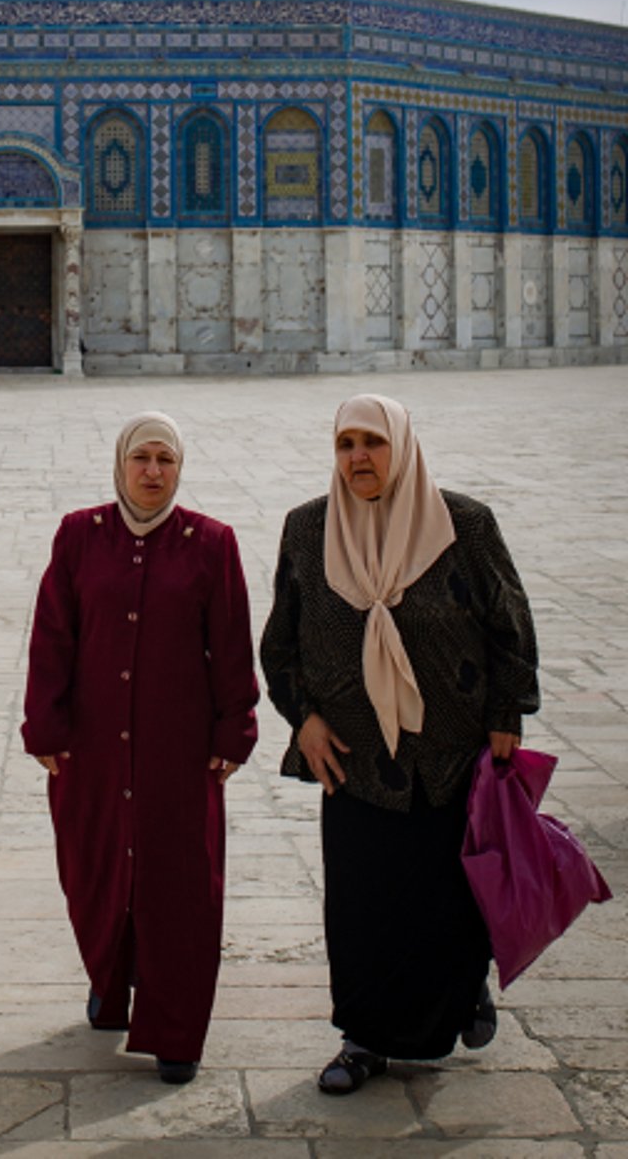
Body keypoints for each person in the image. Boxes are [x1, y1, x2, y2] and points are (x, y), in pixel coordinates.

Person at [259, 393, 539, 1095]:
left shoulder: (463, 526)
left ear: (402, 447)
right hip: (355, 758)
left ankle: (459, 993)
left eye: (373, 442)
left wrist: (507, 713)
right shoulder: (308, 530)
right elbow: (280, 645)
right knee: (364, 902)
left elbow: (510, 623)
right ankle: (363, 1039)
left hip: (452, 750)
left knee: (448, 892)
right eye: (346, 443)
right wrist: (305, 718)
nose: (358, 457)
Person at [22, 411, 258, 1084]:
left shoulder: (210, 543)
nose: (153, 472)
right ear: (121, 464)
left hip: (177, 747)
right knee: (96, 869)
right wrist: (46, 724)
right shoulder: (79, 536)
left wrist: (234, 728)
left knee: (180, 882)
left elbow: (233, 645)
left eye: (166, 460)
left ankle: (176, 1027)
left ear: (180, 468)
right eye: (142, 459)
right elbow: (53, 635)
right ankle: (109, 978)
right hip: (92, 747)